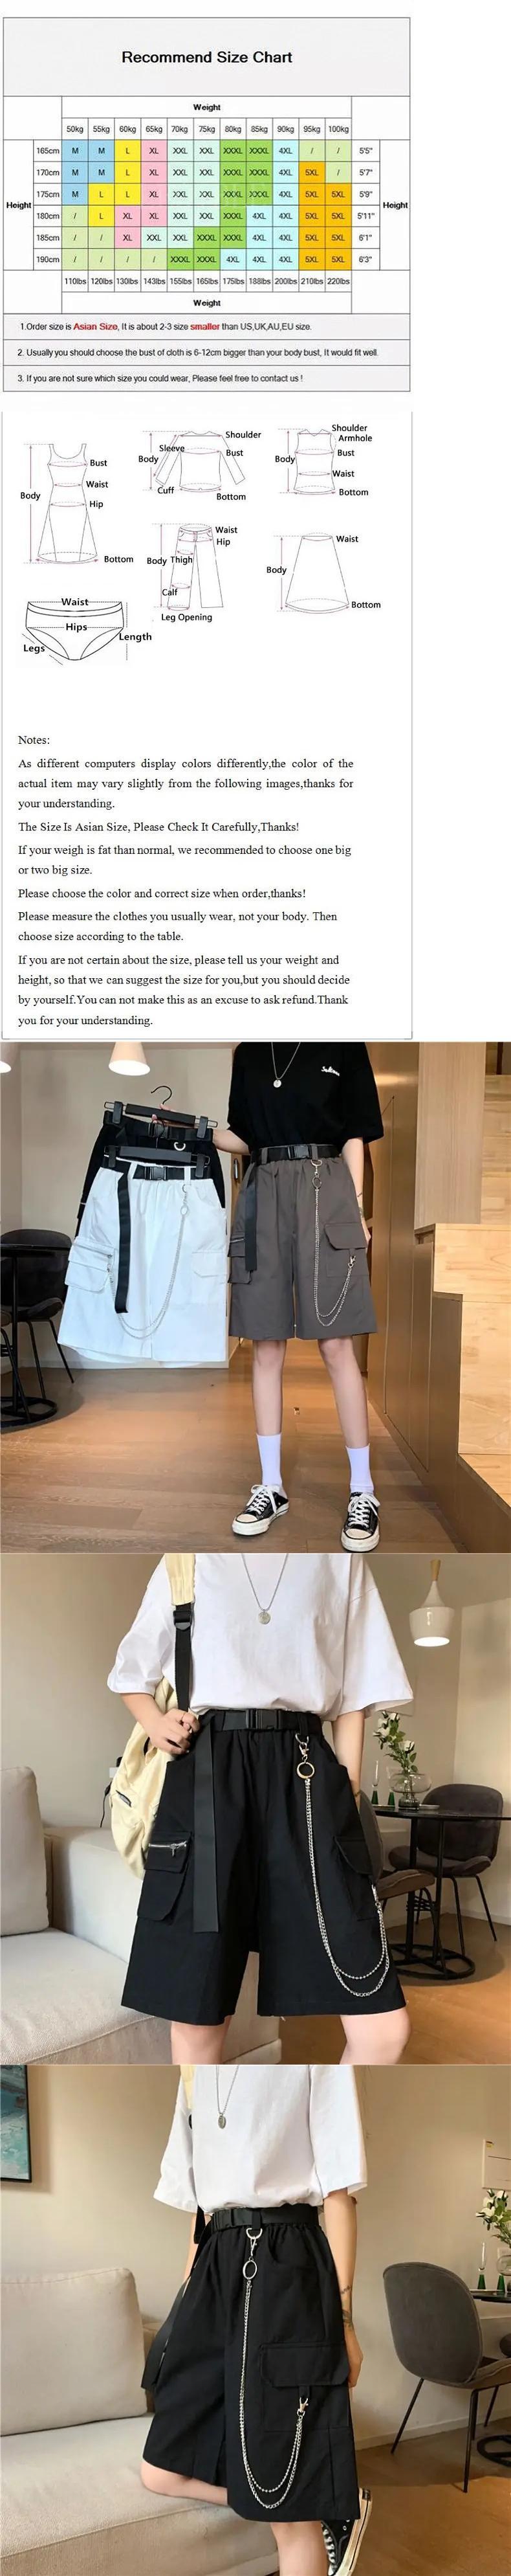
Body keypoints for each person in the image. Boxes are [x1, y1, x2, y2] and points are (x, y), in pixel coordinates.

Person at [108, 1550, 412, 2066]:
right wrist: (156, 1723)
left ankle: (333, 2115)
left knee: (384, 2028)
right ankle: (205, 2118)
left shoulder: (340, 1561)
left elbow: (357, 1690)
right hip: (207, 1775)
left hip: (308, 1776)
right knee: (198, 2018)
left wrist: (346, 1793)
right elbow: (130, 1672)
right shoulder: (186, 1560)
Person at [141, 2061, 372, 2576]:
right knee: (159, 2470)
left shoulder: (313, 2066)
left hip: (286, 2263)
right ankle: (320, 2506)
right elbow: (200, 2213)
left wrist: (345, 2321)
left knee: (289, 2517)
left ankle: (307, 2510)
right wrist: (184, 2306)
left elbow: (339, 2194)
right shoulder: (192, 2075)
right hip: (214, 2265)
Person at [213, 1041, 384, 1551]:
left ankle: (363, 1490)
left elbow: (354, 1134)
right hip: (263, 1190)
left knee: (336, 1343)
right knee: (265, 1344)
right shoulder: (248, 1052)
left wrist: (356, 1207)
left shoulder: (343, 1042)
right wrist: (195, 1130)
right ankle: (271, 1486)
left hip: (325, 1185)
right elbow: (244, 1136)